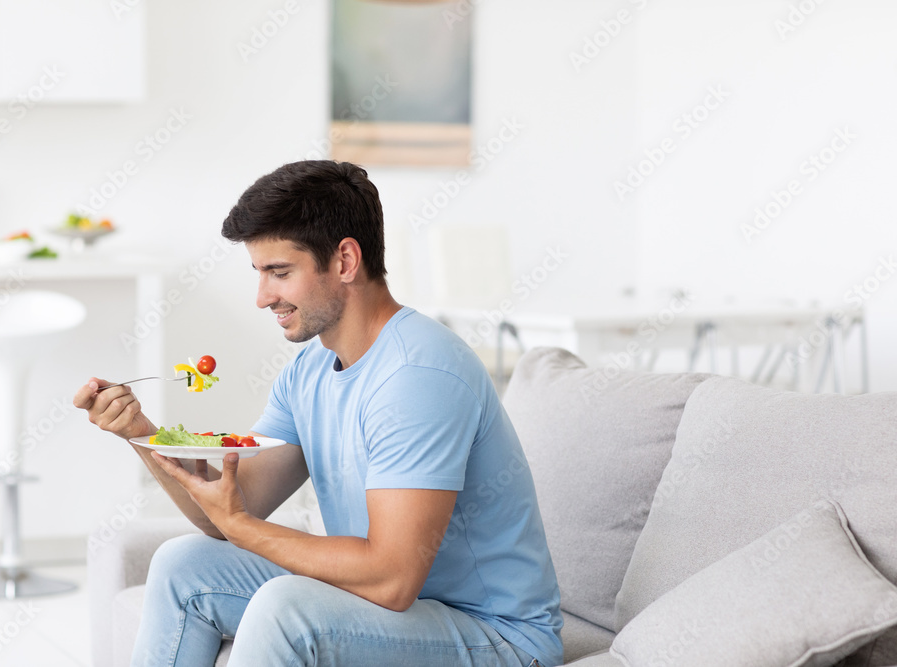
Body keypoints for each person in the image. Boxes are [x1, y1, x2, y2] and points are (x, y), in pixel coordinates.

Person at [73, 160, 564, 667]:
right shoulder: (308, 370)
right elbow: (229, 512)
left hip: (496, 636)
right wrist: (142, 434)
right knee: (184, 564)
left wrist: (242, 525)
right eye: (259, 273)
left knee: (287, 610)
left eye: (279, 273)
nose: (263, 298)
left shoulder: (418, 376)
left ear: (345, 261)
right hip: (400, 608)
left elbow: (392, 579)